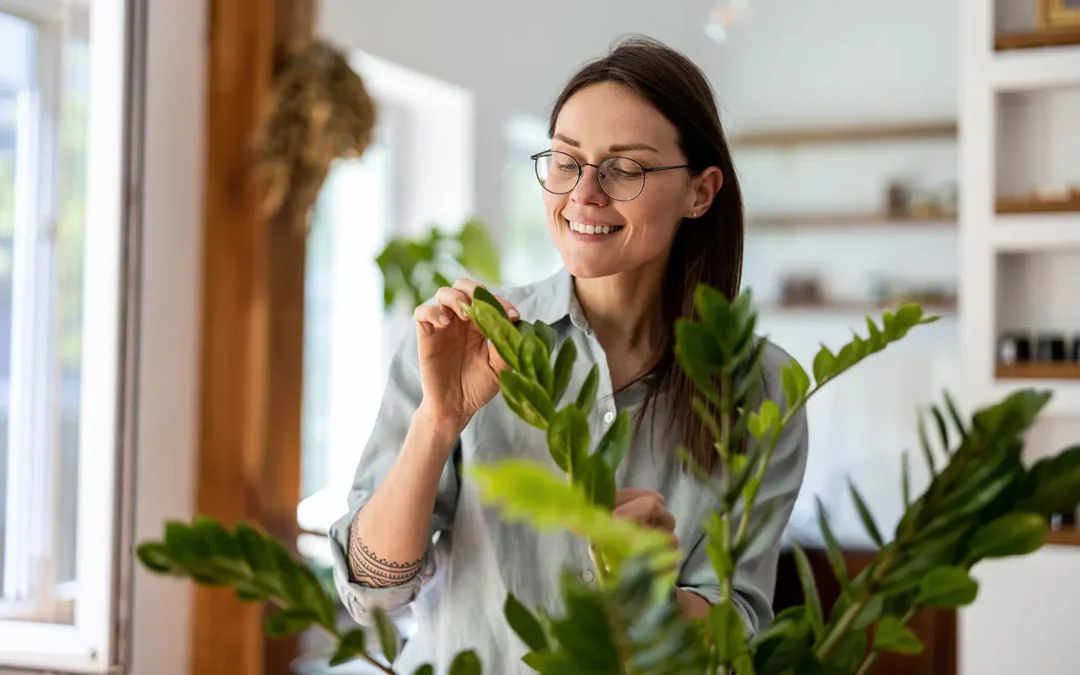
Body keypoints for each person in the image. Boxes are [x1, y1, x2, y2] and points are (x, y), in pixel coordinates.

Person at [328, 34, 809, 674]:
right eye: (565, 160)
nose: (584, 194)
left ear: (701, 191)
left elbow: (737, 633)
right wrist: (439, 420)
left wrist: (650, 595)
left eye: (626, 168)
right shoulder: (468, 340)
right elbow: (373, 594)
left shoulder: (764, 387)